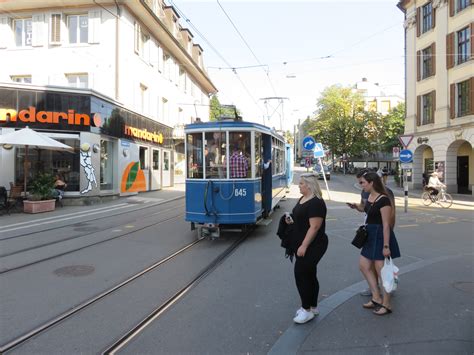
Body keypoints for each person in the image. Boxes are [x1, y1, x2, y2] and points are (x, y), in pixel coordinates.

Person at [285, 173, 328, 324]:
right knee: (309, 275)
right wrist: (291, 220)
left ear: (309, 185)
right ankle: (313, 306)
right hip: (302, 242)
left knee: (301, 274)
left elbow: (315, 227)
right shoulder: (303, 199)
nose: (299, 185)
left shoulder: (316, 203)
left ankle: (306, 310)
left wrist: (304, 245)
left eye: (301, 183)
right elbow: (301, 218)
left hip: (313, 244)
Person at [358, 172, 401, 316]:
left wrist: (386, 246)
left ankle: (386, 303)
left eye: (363, 182)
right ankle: (376, 297)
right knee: (364, 266)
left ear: (372, 183)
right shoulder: (369, 197)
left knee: (383, 273)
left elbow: (386, 225)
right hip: (370, 235)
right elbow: (367, 213)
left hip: (380, 236)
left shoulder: (384, 200)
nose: (361, 185)